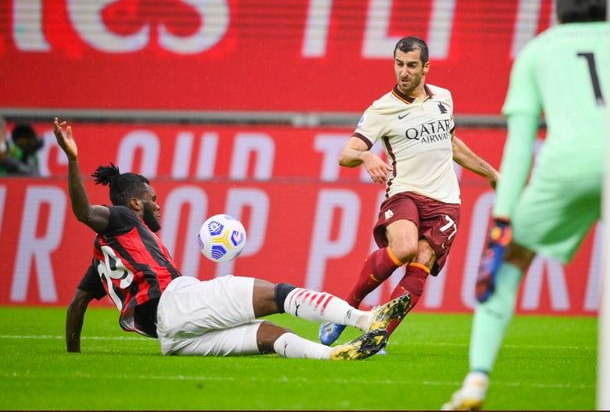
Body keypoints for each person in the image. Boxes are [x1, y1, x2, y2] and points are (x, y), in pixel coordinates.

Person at [443, 0, 610, 410]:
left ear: (559, 12)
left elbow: (521, 141)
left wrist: (504, 217)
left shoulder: (539, 50)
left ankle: (475, 381)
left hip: (566, 168)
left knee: (509, 264)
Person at [54, 117, 411, 359]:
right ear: (134, 202)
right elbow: (85, 212)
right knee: (278, 294)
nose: (157, 205)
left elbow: (77, 305)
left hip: (169, 339)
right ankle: (366, 320)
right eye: (152, 198)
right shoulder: (120, 217)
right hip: (177, 303)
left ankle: (335, 355)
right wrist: (72, 160)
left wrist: (74, 357)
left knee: (267, 335)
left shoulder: (104, 257)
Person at [319, 36, 500, 347]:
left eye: (411, 66)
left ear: (426, 68)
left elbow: (452, 144)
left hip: (446, 202)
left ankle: (377, 338)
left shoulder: (444, 97)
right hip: (405, 193)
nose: (403, 72)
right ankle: (345, 310)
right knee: (402, 248)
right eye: (399, 64)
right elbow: (345, 154)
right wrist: (365, 155)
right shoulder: (382, 109)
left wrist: (490, 173)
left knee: (422, 263)